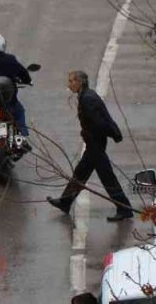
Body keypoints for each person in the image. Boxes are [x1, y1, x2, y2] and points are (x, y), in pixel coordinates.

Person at [47, 69, 134, 221]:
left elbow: (99, 122)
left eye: (72, 81)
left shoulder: (88, 99)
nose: (69, 84)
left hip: (96, 144)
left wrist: (93, 136)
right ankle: (65, 202)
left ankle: (124, 208)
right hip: (93, 143)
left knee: (107, 177)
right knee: (81, 172)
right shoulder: (86, 96)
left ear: (80, 82)